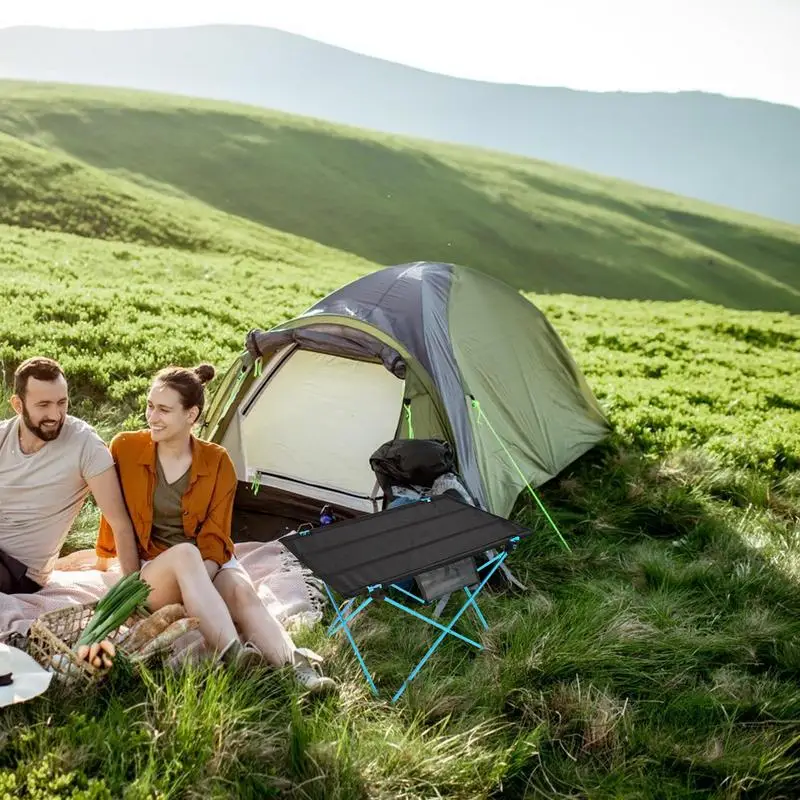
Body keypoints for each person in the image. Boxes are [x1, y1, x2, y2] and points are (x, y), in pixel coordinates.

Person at [94, 363, 336, 693]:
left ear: (191, 415)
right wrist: (132, 586)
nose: (152, 417)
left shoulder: (217, 460)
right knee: (183, 555)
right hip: (155, 569)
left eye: (164, 410)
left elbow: (215, 537)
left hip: (207, 563)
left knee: (241, 591)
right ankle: (235, 656)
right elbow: (115, 518)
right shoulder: (125, 447)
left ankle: (299, 670)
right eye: (151, 406)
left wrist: (201, 586)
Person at [0, 357, 141, 595]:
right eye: (43, 405)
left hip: (21, 572)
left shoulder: (85, 445)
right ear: (18, 404)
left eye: (62, 403)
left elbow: (120, 523)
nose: (55, 415)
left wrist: (131, 594)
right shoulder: (3, 435)